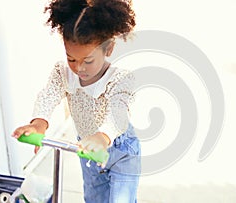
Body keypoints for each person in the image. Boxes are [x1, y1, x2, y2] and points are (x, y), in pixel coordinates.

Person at [12, 0, 141, 202]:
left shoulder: (119, 80)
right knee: (93, 198)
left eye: (88, 61)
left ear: (108, 49)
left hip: (121, 152)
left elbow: (119, 113)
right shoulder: (62, 73)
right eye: (71, 59)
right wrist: (39, 123)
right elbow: (49, 95)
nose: (79, 67)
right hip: (87, 148)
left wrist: (102, 137)